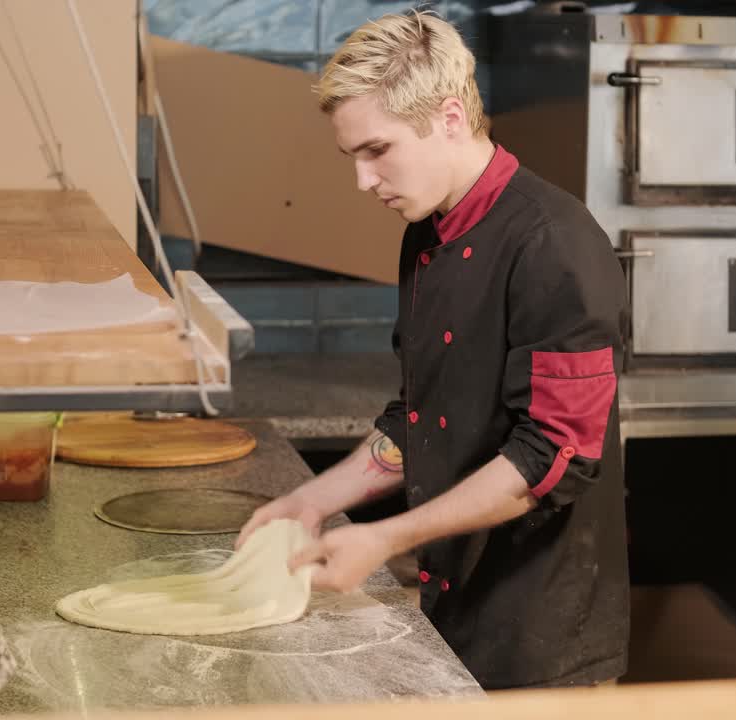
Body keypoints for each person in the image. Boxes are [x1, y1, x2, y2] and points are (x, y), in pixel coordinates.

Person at [236, 9, 630, 690]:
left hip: (543, 643)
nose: (363, 181)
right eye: (352, 156)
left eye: (377, 150)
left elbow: (552, 459)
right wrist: (313, 500)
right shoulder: (427, 230)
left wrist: (384, 538)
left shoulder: (556, 246)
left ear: (450, 117)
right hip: (457, 603)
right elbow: (419, 414)